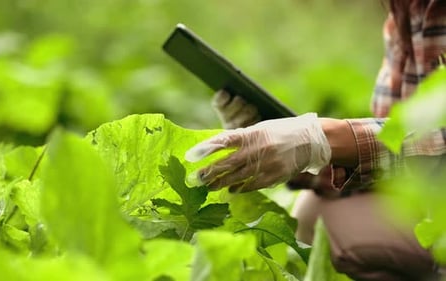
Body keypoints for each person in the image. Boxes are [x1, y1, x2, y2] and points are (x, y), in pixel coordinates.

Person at [185, 0, 446, 280]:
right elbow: (401, 161)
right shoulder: (404, 11)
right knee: (316, 212)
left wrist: (322, 139)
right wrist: (293, 152)